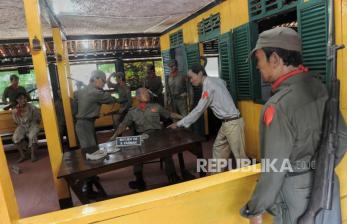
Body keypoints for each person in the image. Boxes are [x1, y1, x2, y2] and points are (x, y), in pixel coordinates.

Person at [239, 27, 347, 224]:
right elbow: (341, 138)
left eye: (259, 60)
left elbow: (274, 169)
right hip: (327, 186)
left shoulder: (278, 106)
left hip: (294, 198)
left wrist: (255, 208)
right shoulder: (320, 88)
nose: (258, 66)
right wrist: (320, 166)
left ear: (275, 60)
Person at [168, 64, 248, 171]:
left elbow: (198, 110)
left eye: (191, 77)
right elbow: (223, 82)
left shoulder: (208, 86)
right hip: (227, 123)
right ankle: (217, 177)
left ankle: (249, 182)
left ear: (200, 73)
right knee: (218, 148)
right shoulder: (215, 80)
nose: (191, 81)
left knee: (241, 158)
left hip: (233, 123)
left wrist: (178, 123)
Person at [110, 88, 183, 190]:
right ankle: (139, 179)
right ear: (138, 96)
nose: (148, 94)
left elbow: (169, 114)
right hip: (142, 137)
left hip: (157, 136)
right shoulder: (132, 112)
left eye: (148, 92)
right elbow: (123, 125)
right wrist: (113, 138)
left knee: (166, 150)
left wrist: (184, 117)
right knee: (136, 154)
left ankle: (172, 176)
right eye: (144, 93)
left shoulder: (156, 107)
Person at [73, 70, 116, 149]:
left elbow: (77, 94)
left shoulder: (81, 91)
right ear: (96, 78)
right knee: (91, 151)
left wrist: (84, 86)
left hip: (82, 124)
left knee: (91, 149)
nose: (104, 84)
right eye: (103, 81)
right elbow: (111, 99)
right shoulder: (95, 93)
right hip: (85, 124)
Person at [12, 92, 41, 163]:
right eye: (21, 99)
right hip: (22, 126)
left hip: (33, 124)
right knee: (15, 138)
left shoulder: (32, 107)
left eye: (24, 98)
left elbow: (38, 119)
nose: (23, 100)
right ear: (17, 100)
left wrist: (33, 123)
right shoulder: (15, 110)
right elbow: (16, 123)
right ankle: (22, 155)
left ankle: (33, 155)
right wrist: (16, 114)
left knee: (32, 135)